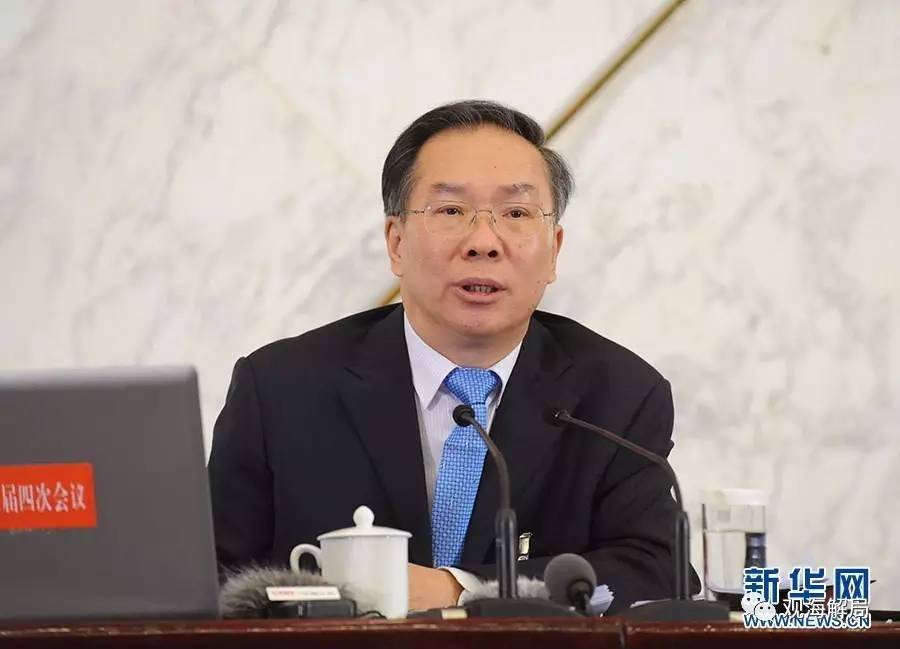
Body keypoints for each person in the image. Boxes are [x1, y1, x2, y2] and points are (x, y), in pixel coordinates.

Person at [208, 100, 699, 613]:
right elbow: (211, 580)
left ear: (554, 250)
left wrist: (457, 590)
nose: (483, 242)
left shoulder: (617, 396)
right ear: (396, 243)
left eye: (516, 214)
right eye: (450, 211)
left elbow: (658, 571)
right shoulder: (281, 389)